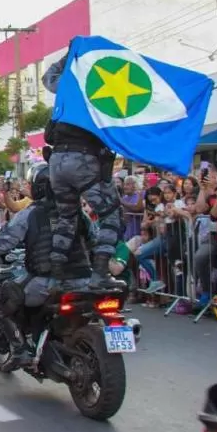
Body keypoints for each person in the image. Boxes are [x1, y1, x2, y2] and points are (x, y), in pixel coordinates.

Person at [0, 163, 94, 364]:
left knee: (1, 299)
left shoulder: (31, 213)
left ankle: (19, 350)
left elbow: (1, 244)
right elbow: (94, 237)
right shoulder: (78, 212)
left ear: (40, 186)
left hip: (46, 281)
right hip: (83, 279)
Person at [41, 50, 125, 290]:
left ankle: (57, 277)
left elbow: (48, 76)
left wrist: (68, 56)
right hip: (84, 161)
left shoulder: (67, 87)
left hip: (57, 162)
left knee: (67, 217)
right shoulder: (102, 94)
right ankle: (100, 274)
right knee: (112, 215)